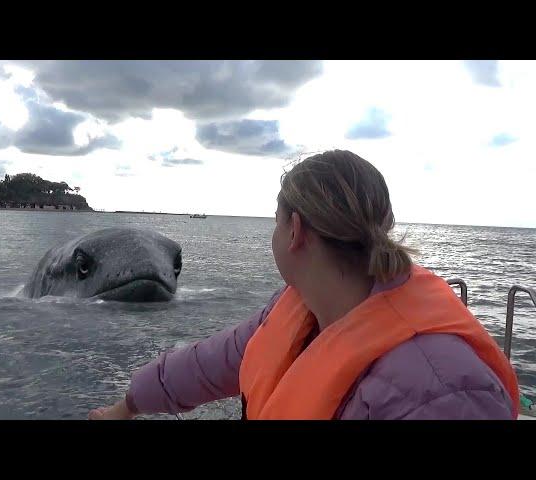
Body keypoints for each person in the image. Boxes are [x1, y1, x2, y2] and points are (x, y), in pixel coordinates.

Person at [89, 150, 518, 420]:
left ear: (294, 231)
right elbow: (208, 363)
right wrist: (127, 405)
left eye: (275, 224)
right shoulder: (299, 308)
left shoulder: (446, 390)